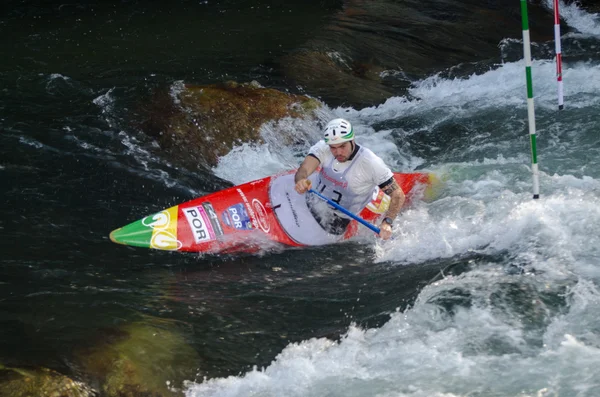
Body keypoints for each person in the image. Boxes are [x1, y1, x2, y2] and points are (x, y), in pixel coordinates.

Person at [294, 118, 405, 240]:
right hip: (312, 199)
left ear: (352, 140)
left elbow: (398, 194)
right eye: (333, 148)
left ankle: (373, 195)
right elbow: (304, 169)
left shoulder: (371, 163)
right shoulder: (323, 147)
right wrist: (301, 180)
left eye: (342, 146)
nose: (338, 152)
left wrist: (387, 223)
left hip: (337, 220)